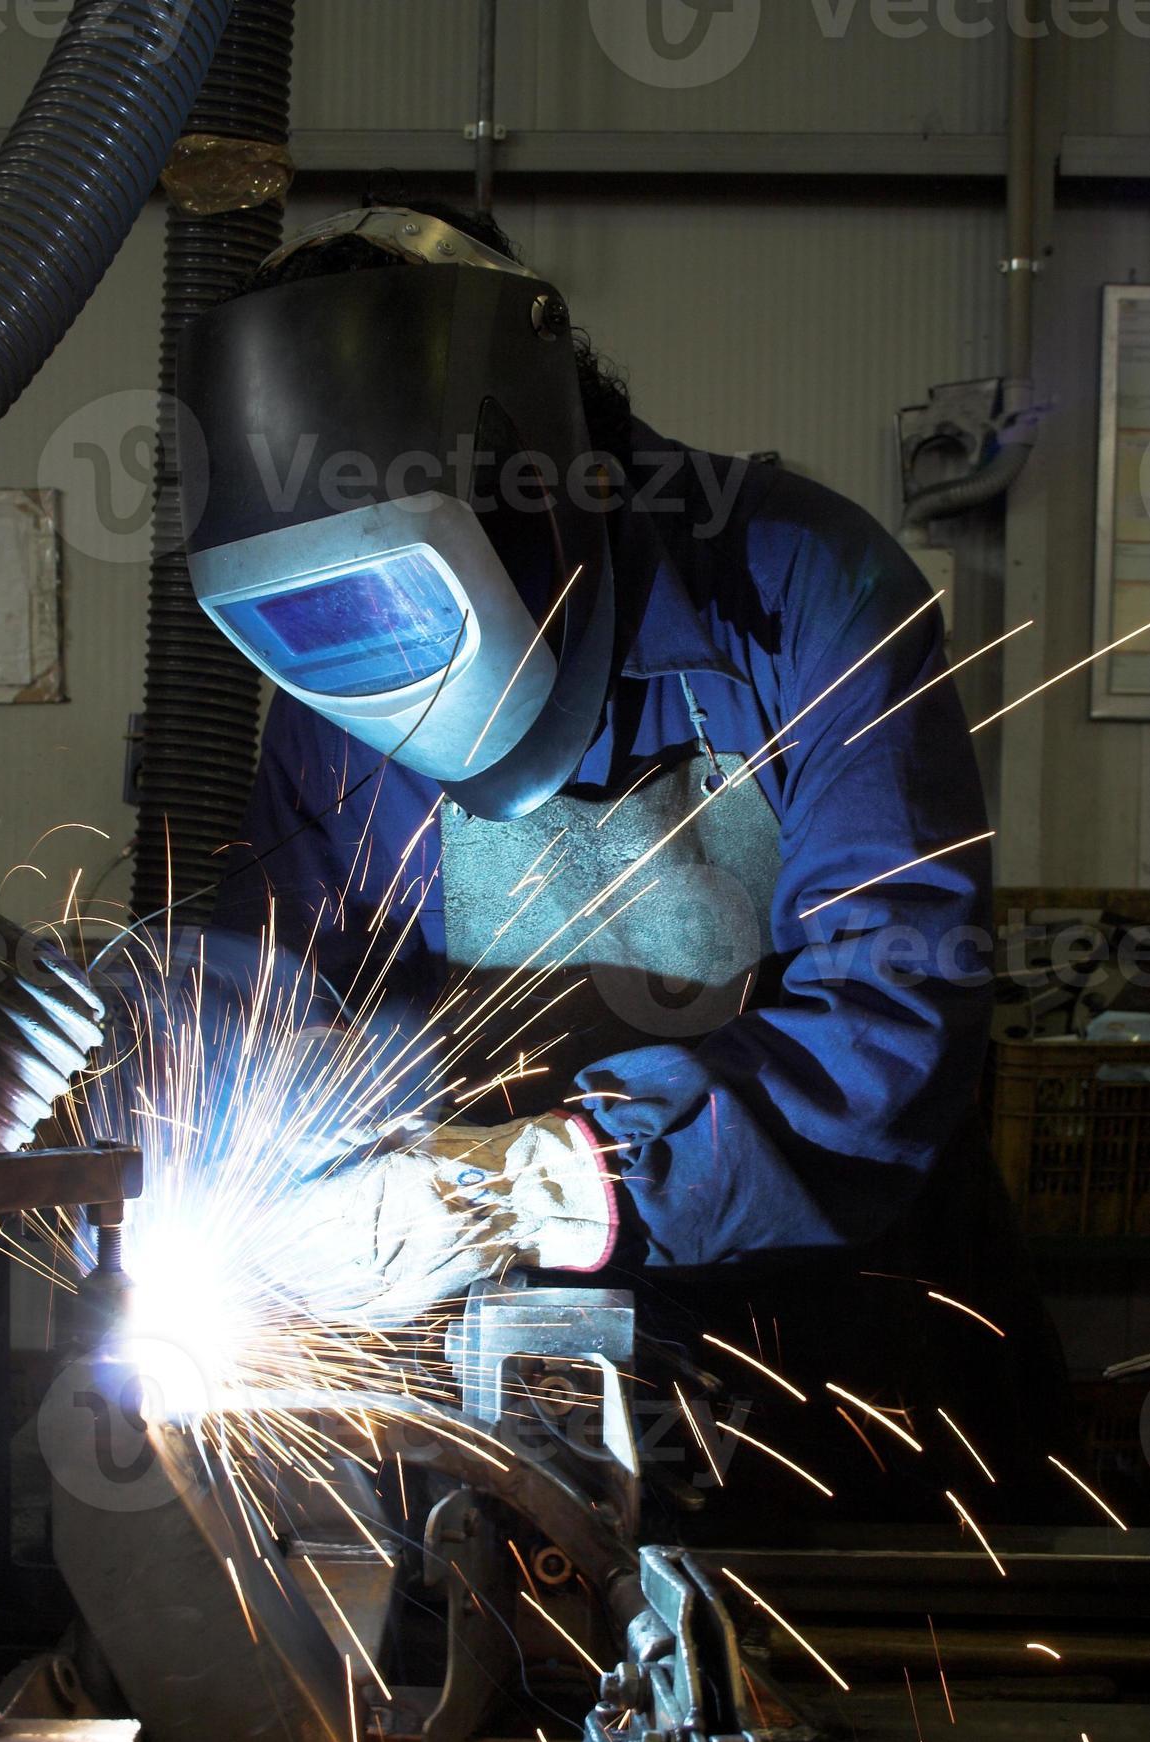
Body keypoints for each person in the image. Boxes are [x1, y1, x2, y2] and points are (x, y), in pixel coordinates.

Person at [181, 200, 1070, 1524]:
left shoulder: (800, 586)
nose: (383, 675)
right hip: (519, 1386)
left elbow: (893, 1020)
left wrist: (540, 1182)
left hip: (848, 1361)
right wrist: (217, 1139)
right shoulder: (326, 681)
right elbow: (277, 974)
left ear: (539, 478)